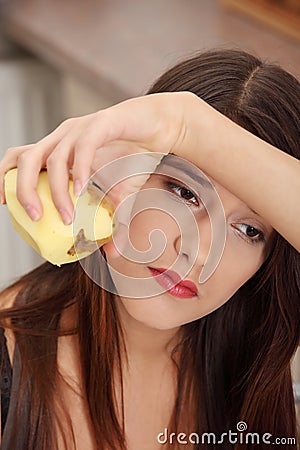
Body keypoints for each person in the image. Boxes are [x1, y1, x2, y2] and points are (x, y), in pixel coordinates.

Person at [0, 49, 299, 450]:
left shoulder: (249, 379)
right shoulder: (10, 368)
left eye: (248, 229)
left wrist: (186, 124)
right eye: (183, 192)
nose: (197, 251)